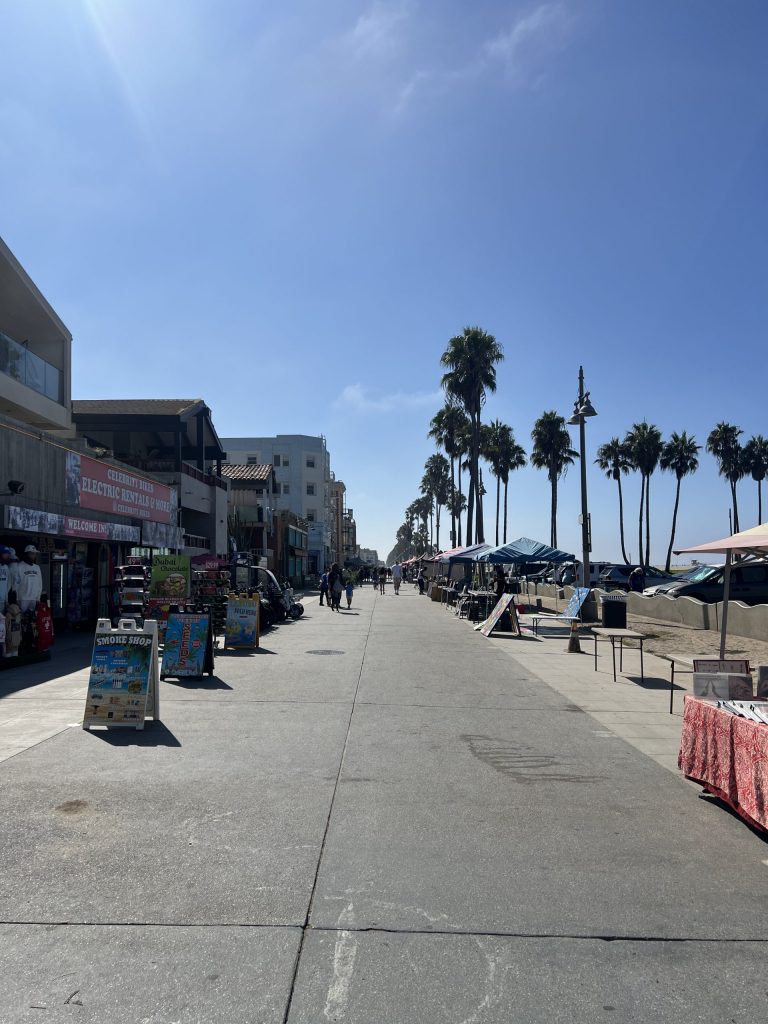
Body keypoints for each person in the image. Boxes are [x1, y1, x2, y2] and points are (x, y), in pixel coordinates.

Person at [18, 545, 43, 613]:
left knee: (32, 619)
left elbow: (40, 583)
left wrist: (38, 597)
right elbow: (15, 584)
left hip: (34, 598)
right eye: (32, 553)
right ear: (26, 554)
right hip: (23, 598)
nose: (34, 556)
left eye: (35, 554)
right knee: (22, 619)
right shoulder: (19, 566)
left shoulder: (37, 567)